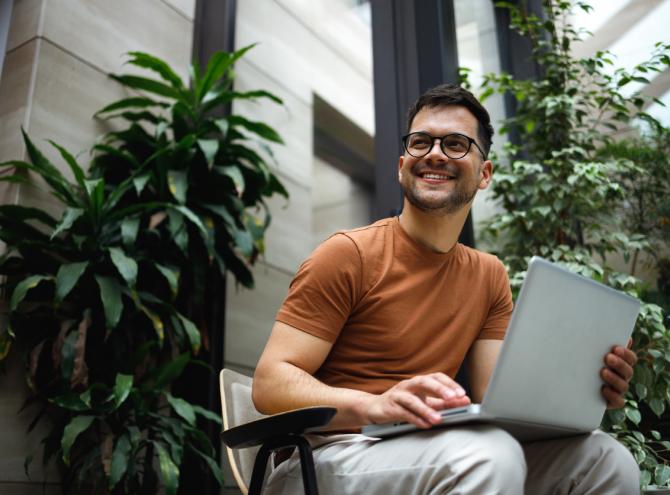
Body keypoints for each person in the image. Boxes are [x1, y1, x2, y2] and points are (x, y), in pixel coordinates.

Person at [252, 84, 640, 494]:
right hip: (325, 456)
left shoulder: (488, 275)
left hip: (429, 450)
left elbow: (500, 405)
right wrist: (374, 405)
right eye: (421, 142)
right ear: (402, 165)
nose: (435, 154)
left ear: (485, 173)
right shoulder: (348, 254)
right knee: (486, 455)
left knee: (605, 460)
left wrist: (583, 388)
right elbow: (270, 382)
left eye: (456, 144)